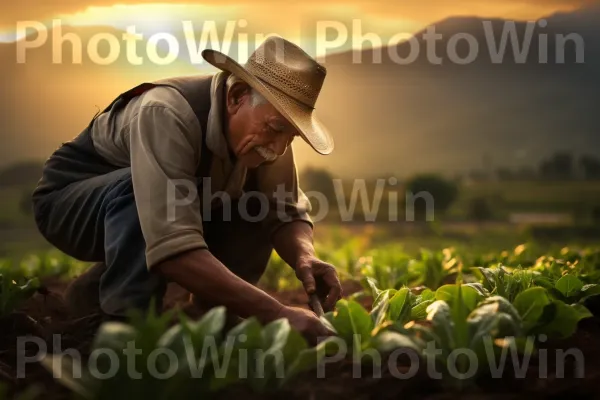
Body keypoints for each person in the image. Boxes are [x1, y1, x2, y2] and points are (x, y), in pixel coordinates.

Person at [31, 36, 342, 342]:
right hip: (70, 204)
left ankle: (212, 316)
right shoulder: (166, 113)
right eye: (275, 129)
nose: (278, 147)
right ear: (236, 96)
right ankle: (122, 326)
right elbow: (173, 248)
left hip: (156, 212)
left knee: (254, 203)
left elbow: (284, 211)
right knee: (140, 190)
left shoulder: (267, 139)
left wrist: (305, 257)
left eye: (290, 136)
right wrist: (276, 313)